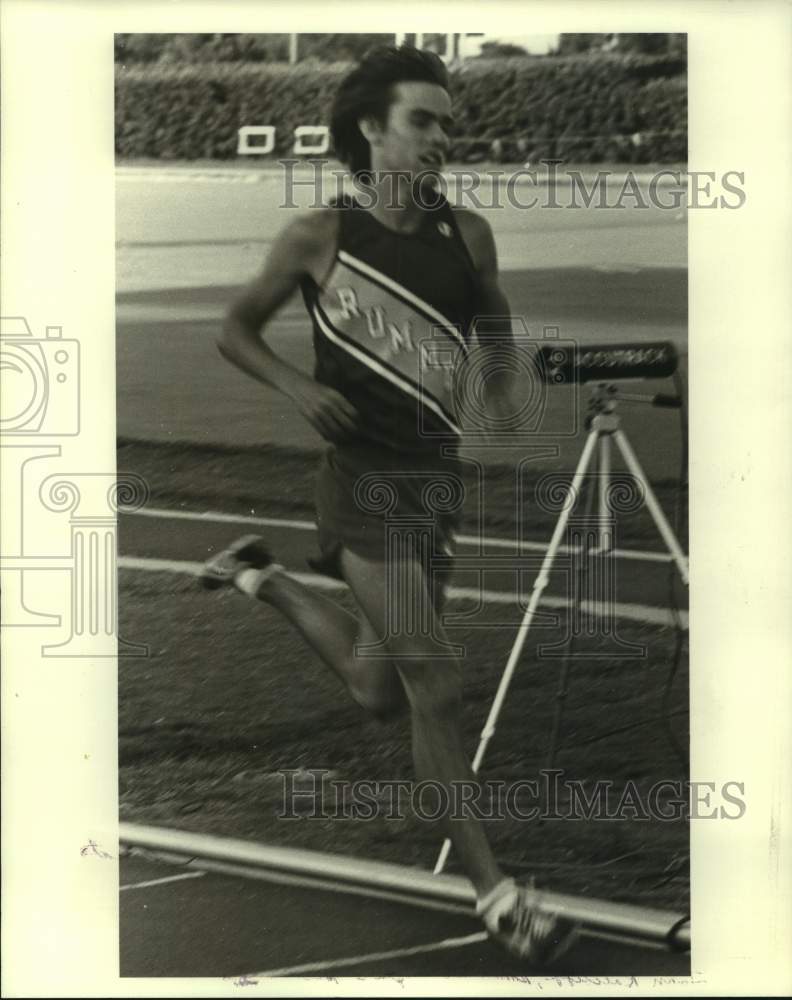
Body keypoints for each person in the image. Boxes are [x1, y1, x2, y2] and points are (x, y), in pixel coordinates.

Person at [201, 45, 576, 964]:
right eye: (426, 120)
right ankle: (497, 896)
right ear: (371, 129)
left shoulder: (467, 233)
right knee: (437, 687)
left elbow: (491, 318)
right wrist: (296, 386)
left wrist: (490, 390)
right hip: (360, 485)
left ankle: (262, 577)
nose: (445, 137)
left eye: (450, 122)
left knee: (380, 689)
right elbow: (234, 330)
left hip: (431, 484)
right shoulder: (319, 235)